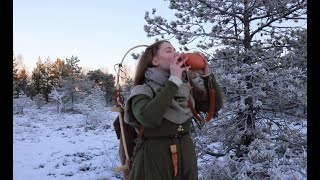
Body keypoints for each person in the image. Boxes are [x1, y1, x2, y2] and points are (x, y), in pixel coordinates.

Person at [123, 40, 223, 180]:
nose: (176, 54)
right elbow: (148, 118)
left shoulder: (186, 89)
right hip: (155, 160)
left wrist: (207, 75)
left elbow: (214, 106)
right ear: (155, 61)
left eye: (175, 50)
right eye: (169, 51)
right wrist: (173, 81)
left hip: (186, 157)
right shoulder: (142, 90)